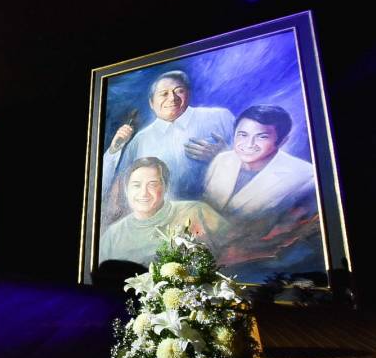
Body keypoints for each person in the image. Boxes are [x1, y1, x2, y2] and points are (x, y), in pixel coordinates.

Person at [202, 105, 321, 276]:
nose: (248, 144)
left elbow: (293, 238)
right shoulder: (222, 160)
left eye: (261, 137)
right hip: (212, 257)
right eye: (242, 135)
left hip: (258, 266)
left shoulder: (306, 177)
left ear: (282, 141)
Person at [101, 71, 234, 203]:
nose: (172, 98)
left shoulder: (220, 118)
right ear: (151, 103)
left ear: (188, 93)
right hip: (161, 219)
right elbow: (116, 187)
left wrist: (223, 157)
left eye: (179, 91)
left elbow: (252, 167)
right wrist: (114, 150)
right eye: (164, 94)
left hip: (220, 212)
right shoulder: (140, 141)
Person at [99, 157, 229, 266]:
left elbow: (236, 247)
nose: (143, 193)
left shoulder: (195, 211)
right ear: (127, 190)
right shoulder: (112, 235)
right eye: (136, 185)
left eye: (153, 184)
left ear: (165, 187)